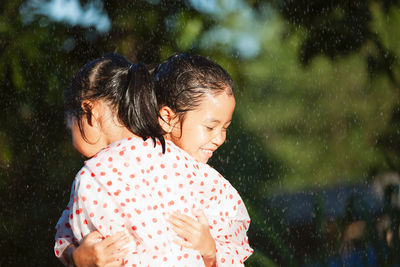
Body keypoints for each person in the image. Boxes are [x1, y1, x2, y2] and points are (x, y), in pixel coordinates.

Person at [55, 53, 252, 266]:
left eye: (69, 122)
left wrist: (77, 259)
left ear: (89, 111)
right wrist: (211, 252)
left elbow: (65, 236)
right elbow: (233, 243)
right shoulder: (192, 172)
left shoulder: (94, 176)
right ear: (167, 118)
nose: (221, 139)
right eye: (211, 127)